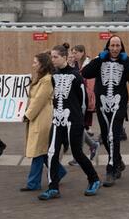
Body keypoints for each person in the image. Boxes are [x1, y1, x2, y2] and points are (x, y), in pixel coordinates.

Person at [39, 43, 101, 200]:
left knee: (77, 153)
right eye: (51, 57)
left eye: (55, 57)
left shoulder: (75, 75)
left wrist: (80, 120)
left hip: (73, 120)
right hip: (57, 119)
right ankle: (53, 187)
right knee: (52, 152)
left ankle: (94, 179)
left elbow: (83, 100)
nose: (52, 60)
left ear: (64, 57)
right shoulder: (54, 76)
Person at [81, 36, 129, 186]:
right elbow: (86, 73)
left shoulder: (125, 61)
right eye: (112, 45)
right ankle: (118, 161)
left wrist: (128, 62)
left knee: (113, 135)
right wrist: (98, 59)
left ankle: (111, 169)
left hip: (118, 104)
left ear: (121, 47)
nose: (114, 49)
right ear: (108, 47)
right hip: (102, 104)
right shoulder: (100, 61)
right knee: (106, 136)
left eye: (117, 46)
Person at [21, 52, 65, 191]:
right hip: (39, 118)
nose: (33, 64)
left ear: (42, 64)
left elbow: (39, 101)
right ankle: (59, 172)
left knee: (38, 152)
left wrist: (27, 115)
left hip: (42, 118)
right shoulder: (41, 78)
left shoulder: (46, 80)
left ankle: (33, 183)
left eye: (35, 62)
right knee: (43, 151)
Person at [70, 44, 99, 162]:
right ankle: (92, 145)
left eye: (75, 53)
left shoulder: (88, 65)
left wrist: (90, 103)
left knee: (79, 127)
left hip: (84, 101)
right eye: (72, 53)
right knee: (79, 127)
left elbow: (91, 87)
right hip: (76, 100)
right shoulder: (75, 64)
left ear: (82, 52)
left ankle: (78, 156)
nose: (73, 55)